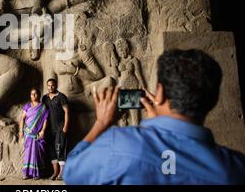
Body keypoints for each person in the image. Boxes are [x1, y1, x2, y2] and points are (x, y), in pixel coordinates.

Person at [64, 49, 245, 184]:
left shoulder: (118, 146)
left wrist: (102, 122)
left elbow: (71, 172)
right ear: (213, 100)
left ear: (159, 92)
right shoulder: (236, 168)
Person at [42, 78, 69, 180]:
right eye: (48, 85)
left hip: (60, 128)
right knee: (52, 150)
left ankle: (62, 173)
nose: (50, 87)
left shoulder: (62, 97)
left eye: (52, 85)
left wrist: (65, 126)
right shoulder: (44, 98)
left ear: (56, 85)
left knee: (61, 149)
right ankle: (55, 172)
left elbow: (67, 112)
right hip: (49, 129)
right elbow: (42, 113)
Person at [19, 87, 49, 180]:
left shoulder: (43, 107)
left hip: (38, 134)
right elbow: (22, 118)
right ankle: (27, 173)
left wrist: (43, 131)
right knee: (28, 153)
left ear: (39, 95)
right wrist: (21, 131)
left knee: (37, 153)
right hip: (28, 133)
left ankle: (37, 173)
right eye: (32, 94)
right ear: (30, 95)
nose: (34, 95)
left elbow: (45, 120)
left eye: (36, 93)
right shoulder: (27, 105)